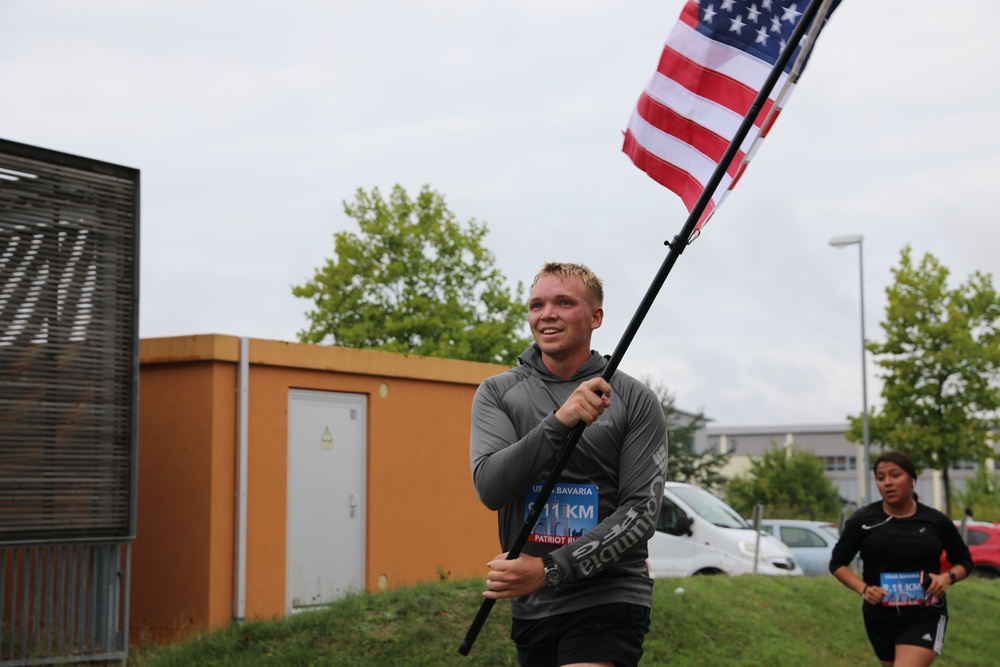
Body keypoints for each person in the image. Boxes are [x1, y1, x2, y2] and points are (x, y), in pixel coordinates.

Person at [470, 262, 668, 667]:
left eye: (564, 302)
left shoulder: (635, 399)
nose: (547, 314)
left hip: (609, 597)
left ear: (595, 317)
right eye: (536, 305)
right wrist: (560, 421)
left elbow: (641, 512)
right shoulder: (498, 393)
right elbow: (491, 487)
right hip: (532, 606)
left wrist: (549, 569)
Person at [829, 450, 973, 667]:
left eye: (895, 475)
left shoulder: (935, 521)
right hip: (880, 615)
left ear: (912, 480)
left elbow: (964, 561)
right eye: (880, 478)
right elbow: (837, 564)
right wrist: (865, 589)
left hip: (926, 612)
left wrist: (947, 578)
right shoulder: (863, 520)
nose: (887, 483)